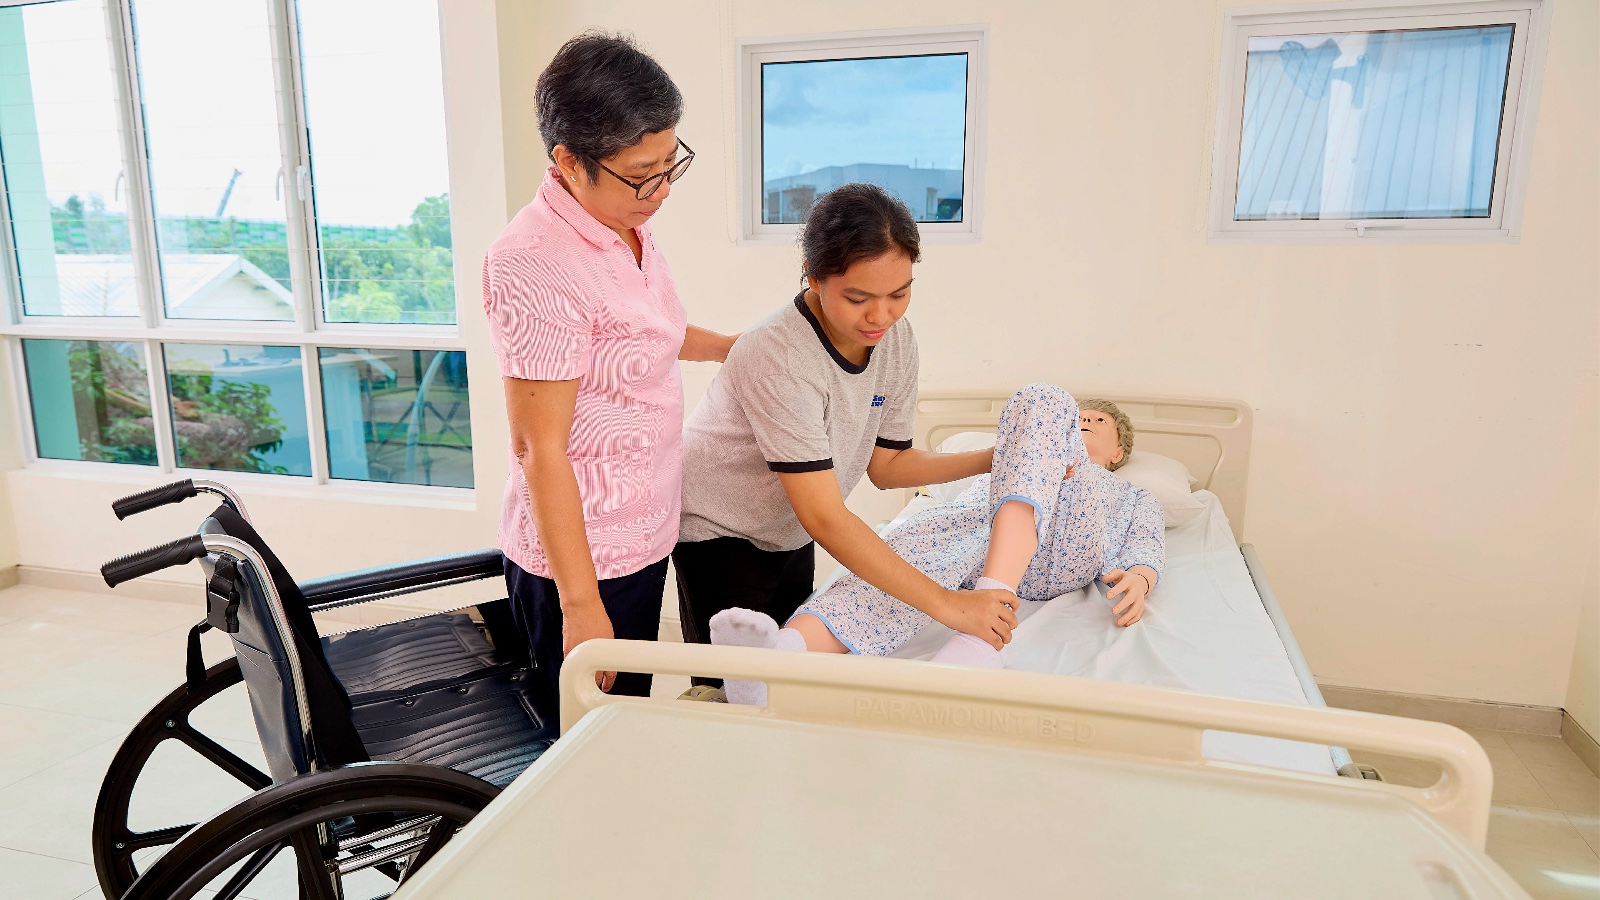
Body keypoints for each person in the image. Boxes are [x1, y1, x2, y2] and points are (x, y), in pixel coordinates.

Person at [482, 33, 735, 718]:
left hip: (644, 526)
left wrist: (733, 349)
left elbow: (644, 331)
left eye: (668, 165)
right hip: (585, 555)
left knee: (627, 726)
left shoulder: (624, 218)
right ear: (569, 162)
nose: (659, 191)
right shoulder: (535, 260)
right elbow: (539, 448)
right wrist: (583, 606)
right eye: (639, 173)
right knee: (582, 743)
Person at [674, 183, 1017, 676]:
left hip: (790, 528)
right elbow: (827, 517)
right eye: (858, 298)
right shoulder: (777, 354)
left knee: (792, 675)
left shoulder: (895, 340)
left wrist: (993, 457)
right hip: (721, 532)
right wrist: (948, 605)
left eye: (899, 294)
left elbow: (890, 465)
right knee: (734, 689)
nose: (881, 315)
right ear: (814, 278)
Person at [710, 386, 1165, 705]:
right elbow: (956, 517)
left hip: (1062, 551)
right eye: (1077, 419)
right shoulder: (999, 473)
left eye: (1095, 422)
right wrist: (1017, 457)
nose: (1082, 422)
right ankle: (780, 658)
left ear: (1119, 451)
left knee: (1044, 397)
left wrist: (1141, 578)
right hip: (978, 535)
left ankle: (979, 638)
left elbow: (1146, 542)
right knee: (902, 557)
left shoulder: (1126, 493)